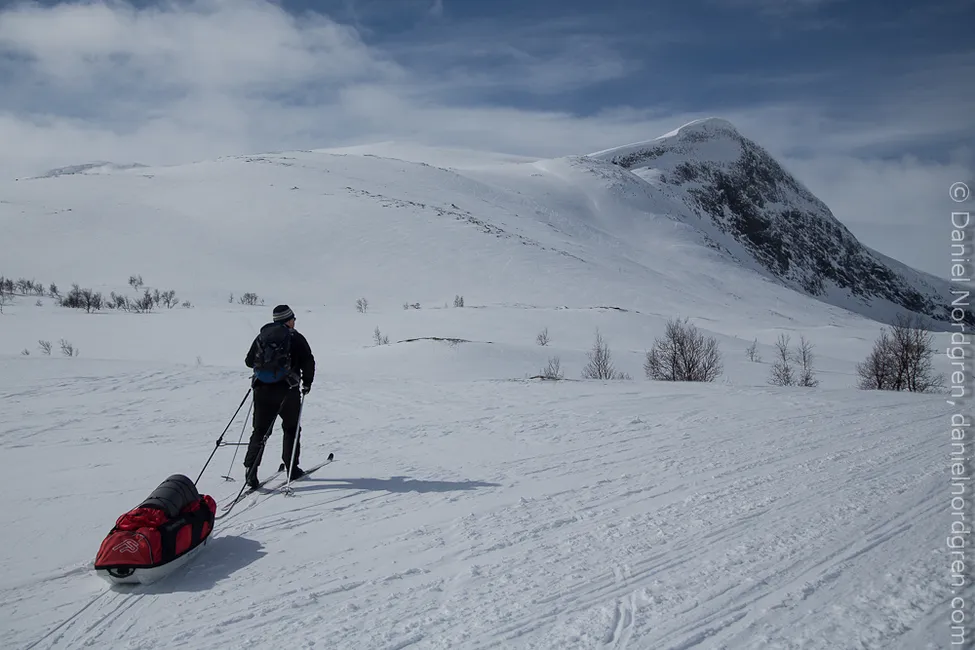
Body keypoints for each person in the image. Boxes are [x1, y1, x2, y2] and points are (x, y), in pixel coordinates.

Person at [243, 304, 315, 488]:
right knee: (291, 428)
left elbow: (249, 361)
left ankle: (251, 471)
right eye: (293, 319)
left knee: (260, 431)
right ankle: (292, 468)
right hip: (288, 391)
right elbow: (308, 360)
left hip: (262, 390)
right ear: (288, 320)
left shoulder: (262, 336)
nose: (294, 322)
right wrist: (307, 383)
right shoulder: (295, 337)